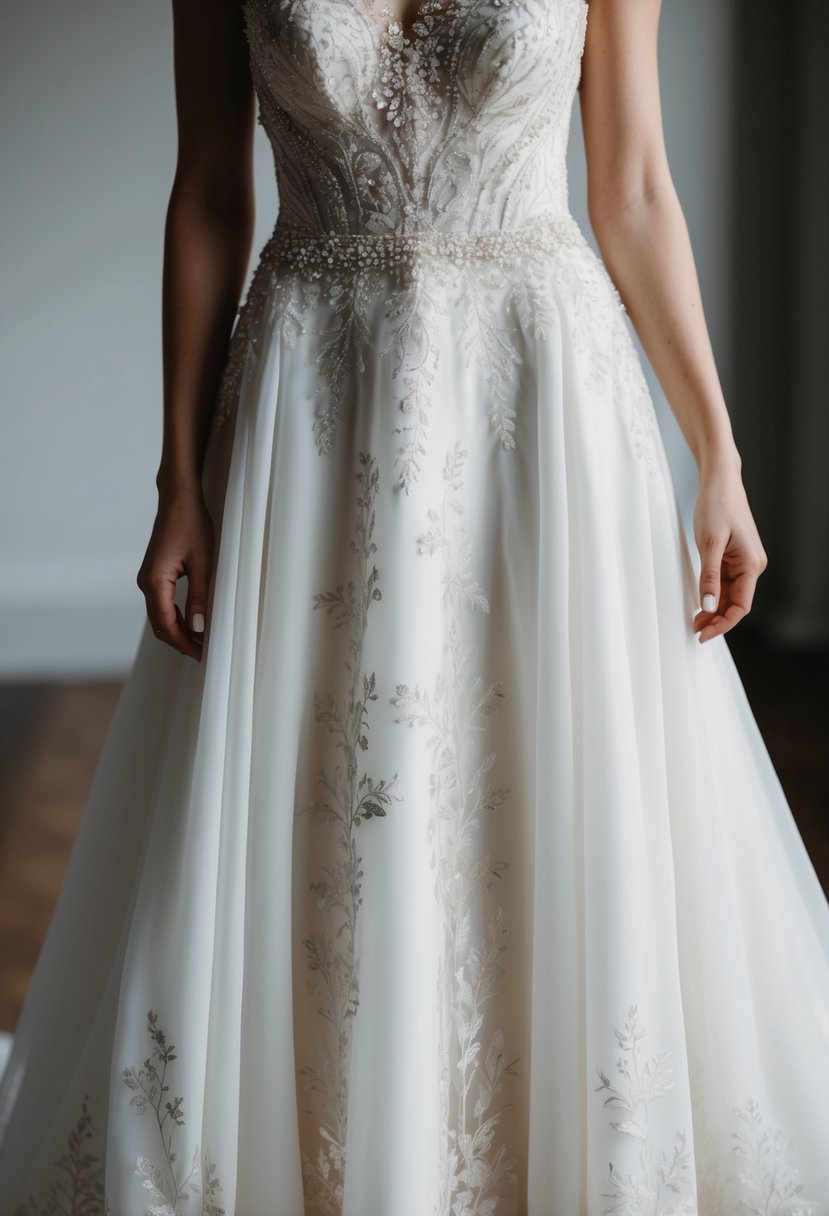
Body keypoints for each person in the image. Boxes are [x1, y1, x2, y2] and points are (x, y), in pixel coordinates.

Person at [1, 0, 828, 1212]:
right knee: (320, 783)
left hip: (535, 404)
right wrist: (177, 476)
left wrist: (720, 454)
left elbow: (636, 187)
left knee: (552, 777)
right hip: (312, 412)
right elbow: (209, 195)